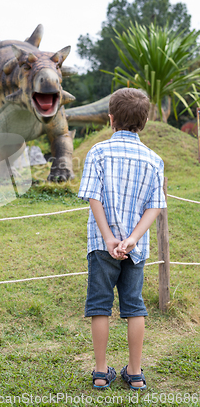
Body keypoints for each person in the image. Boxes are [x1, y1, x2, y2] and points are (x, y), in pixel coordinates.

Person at [78, 88, 167, 390]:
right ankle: (136, 373)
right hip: (135, 248)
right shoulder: (154, 159)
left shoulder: (98, 152)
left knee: (100, 305)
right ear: (144, 122)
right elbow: (155, 206)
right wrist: (130, 240)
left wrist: (108, 237)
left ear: (111, 118)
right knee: (134, 306)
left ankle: (101, 372)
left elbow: (93, 196)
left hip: (101, 245)